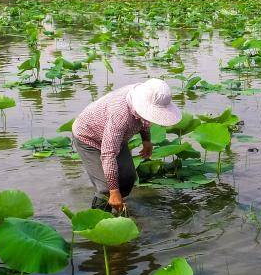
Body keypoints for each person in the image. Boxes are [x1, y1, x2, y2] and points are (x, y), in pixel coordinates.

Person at [72, 78, 182, 211]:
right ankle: (98, 220)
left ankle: (117, 209)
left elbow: (145, 118)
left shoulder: (143, 97)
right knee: (105, 188)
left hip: (115, 136)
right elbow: (108, 154)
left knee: (128, 178)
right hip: (88, 137)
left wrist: (146, 140)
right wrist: (113, 191)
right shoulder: (120, 115)